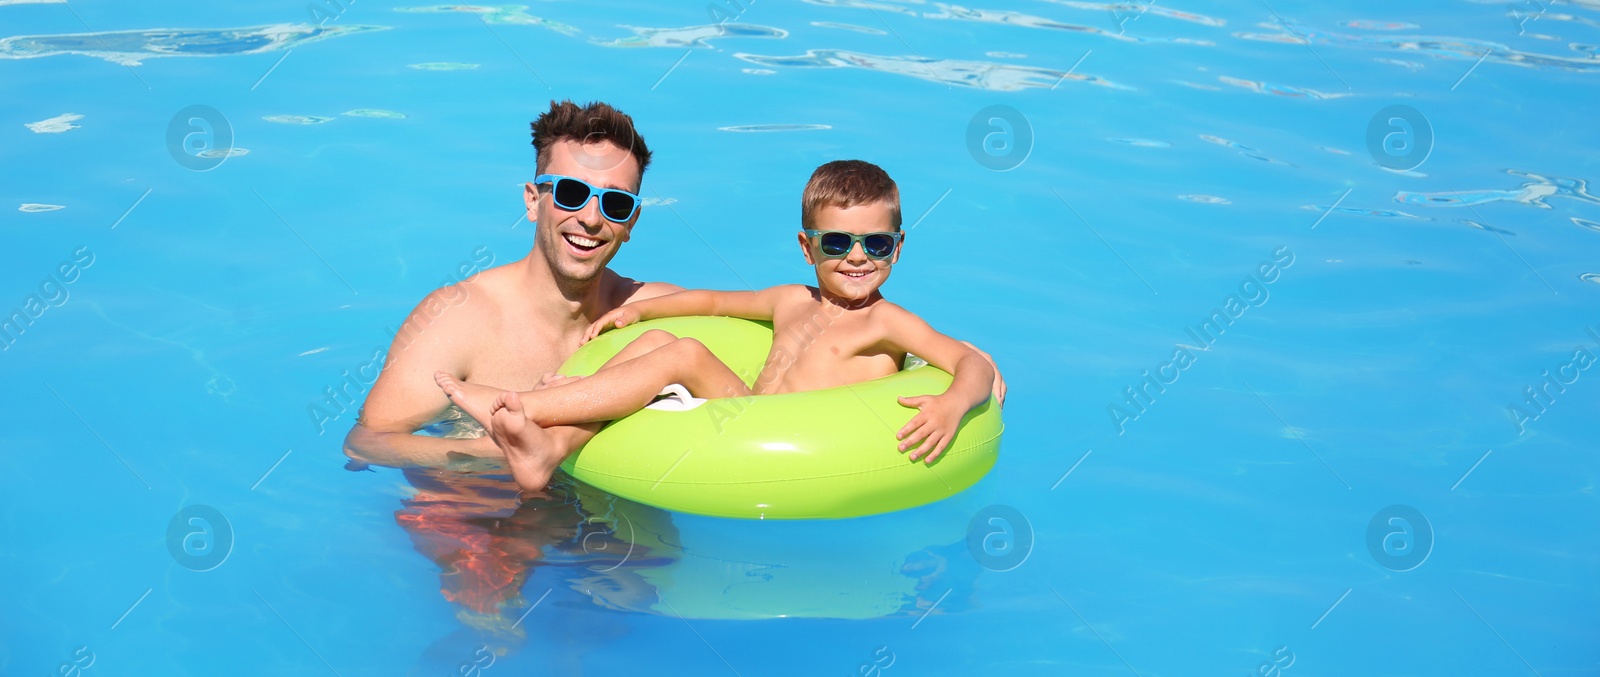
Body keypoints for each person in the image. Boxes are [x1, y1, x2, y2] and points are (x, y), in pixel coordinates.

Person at [345, 100, 1006, 490]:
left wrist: (965, 376)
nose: (589, 217)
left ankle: (537, 418)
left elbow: (709, 309)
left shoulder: (642, 302)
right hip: (478, 506)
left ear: (633, 220)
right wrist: (487, 461)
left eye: (615, 202)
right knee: (487, 605)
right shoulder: (458, 318)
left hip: (616, 502)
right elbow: (368, 444)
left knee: (631, 602)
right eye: (570, 193)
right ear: (532, 200)